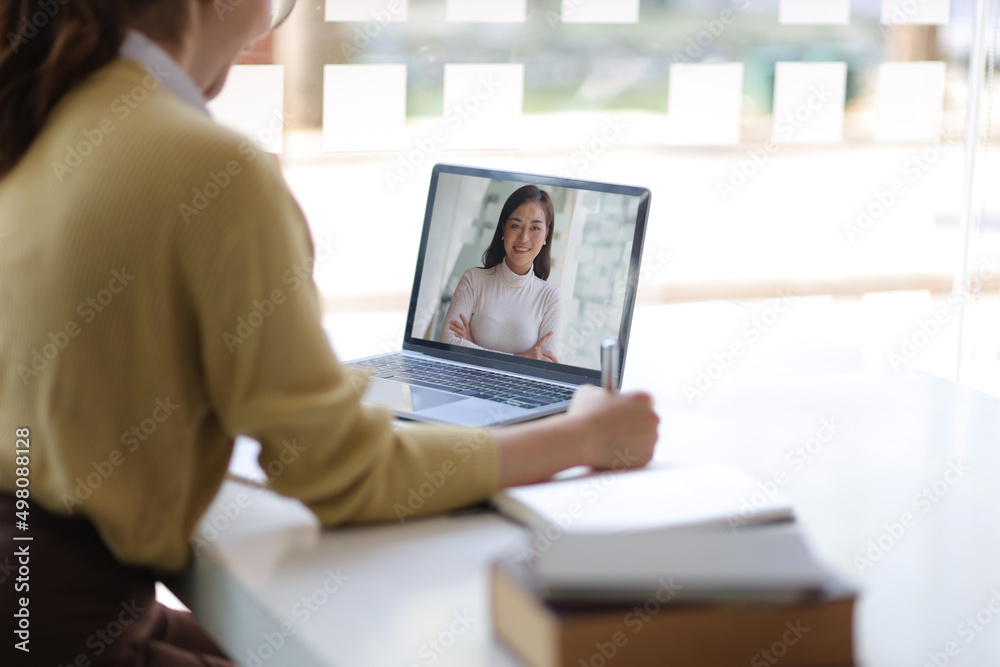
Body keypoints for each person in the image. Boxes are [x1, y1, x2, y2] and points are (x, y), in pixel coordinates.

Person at [0, 1, 659, 665]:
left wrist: (322, 387)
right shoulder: (210, 169)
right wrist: (584, 436)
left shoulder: (41, 109)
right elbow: (338, 474)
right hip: (53, 622)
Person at [440, 185, 562, 362]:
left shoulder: (550, 298)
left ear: (546, 235)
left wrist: (472, 347)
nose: (523, 238)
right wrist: (520, 359)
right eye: (516, 225)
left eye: (535, 228)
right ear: (504, 228)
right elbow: (448, 342)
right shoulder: (474, 280)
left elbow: (546, 367)